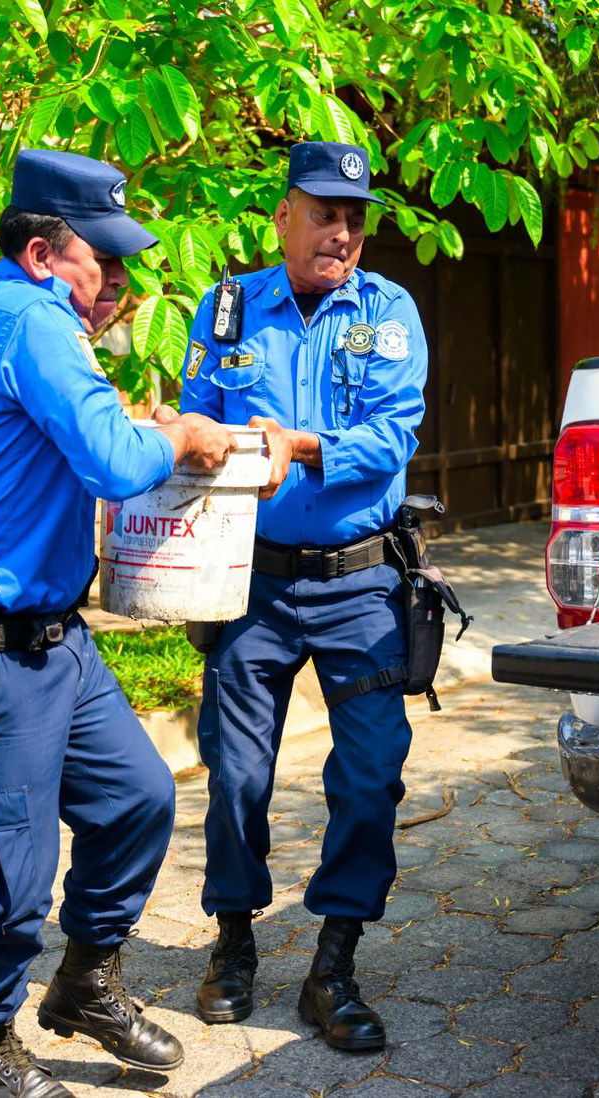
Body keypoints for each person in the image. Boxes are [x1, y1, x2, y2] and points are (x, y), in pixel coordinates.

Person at [0, 149, 246, 1098]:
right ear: (43, 254)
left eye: (124, 267)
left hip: (55, 643)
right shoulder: (33, 322)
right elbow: (121, 464)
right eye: (102, 262)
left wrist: (127, 420)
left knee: (137, 800)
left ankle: (84, 983)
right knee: (4, 869)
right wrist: (182, 433)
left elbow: (59, 436)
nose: (117, 283)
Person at [179, 141, 427, 1052]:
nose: (343, 232)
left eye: (356, 218)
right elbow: (199, 409)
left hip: (360, 584)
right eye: (324, 212)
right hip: (254, 581)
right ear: (283, 217)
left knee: (370, 778)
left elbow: (391, 435)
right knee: (237, 774)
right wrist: (194, 430)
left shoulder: (388, 311)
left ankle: (334, 963)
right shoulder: (231, 304)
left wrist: (301, 446)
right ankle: (234, 941)